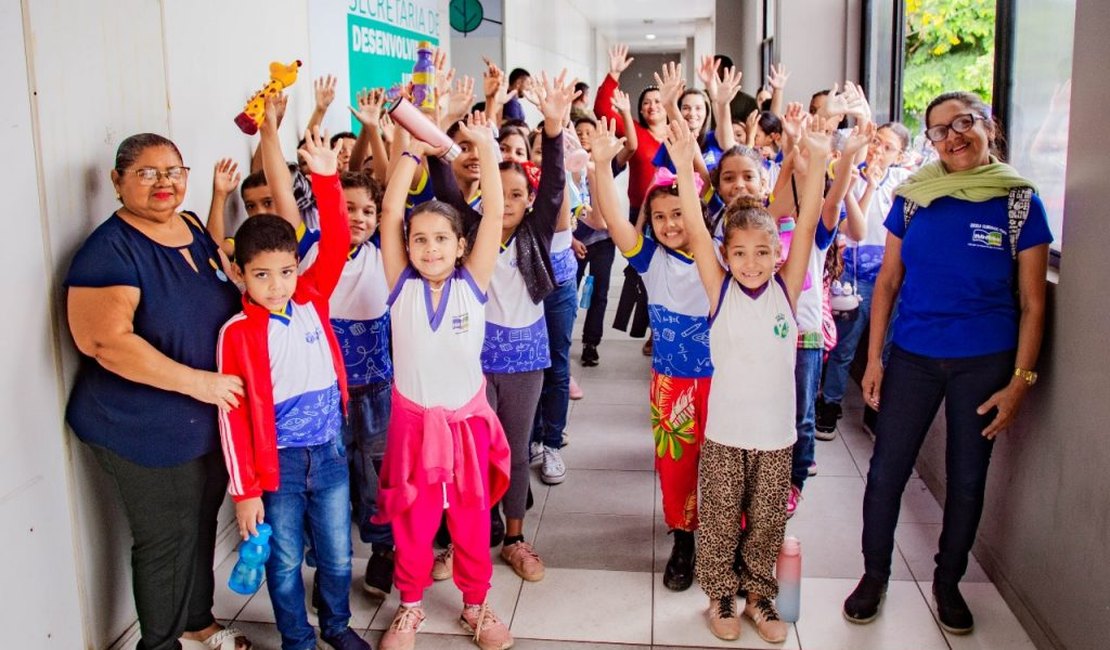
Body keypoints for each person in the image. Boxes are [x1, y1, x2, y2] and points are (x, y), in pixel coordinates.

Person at [843, 91, 1052, 634]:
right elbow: (887, 284)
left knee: (966, 479)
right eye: (939, 130)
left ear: (988, 126)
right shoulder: (914, 197)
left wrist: (1020, 383)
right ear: (930, 141)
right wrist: (874, 360)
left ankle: (947, 582)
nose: (953, 136)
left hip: (984, 364)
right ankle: (875, 576)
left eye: (964, 123)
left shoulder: (1020, 202)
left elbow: (1033, 303)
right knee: (886, 471)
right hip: (912, 357)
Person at [65, 133, 250, 650]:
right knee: (166, 539)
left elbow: (222, 276)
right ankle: (160, 644)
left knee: (196, 523)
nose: (163, 182)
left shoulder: (190, 226)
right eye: (146, 173)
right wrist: (200, 383)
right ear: (117, 182)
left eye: (172, 170)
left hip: (204, 417)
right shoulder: (109, 250)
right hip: (139, 425)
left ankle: (198, 622)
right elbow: (104, 341)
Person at [671, 116, 831, 644]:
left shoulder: (786, 289)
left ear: (778, 255)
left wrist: (818, 157)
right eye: (738, 253)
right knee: (718, 520)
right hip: (725, 435)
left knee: (766, 521)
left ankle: (760, 595)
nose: (751, 262)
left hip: (776, 436)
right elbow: (696, 229)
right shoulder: (721, 292)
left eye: (763, 252)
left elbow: (805, 224)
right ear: (724, 257)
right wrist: (683, 159)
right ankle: (720, 594)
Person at [216, 126, 368, 650]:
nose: (278, 284)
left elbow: (339, 240)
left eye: (285, 270)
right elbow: (232, 417)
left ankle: (338, 626)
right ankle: (297, 639)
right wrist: (245, 493)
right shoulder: (236, 333)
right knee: (282, 561)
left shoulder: (310, 296)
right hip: (275, 468)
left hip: (327, 453)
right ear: (239, 275)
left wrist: (326, 178)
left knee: (336, 553)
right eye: (262, 275)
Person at [373, 111, 514, 650]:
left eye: (441, 239)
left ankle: (475, 604)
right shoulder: (399, 286)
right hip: (412, 426)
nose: (430, 248)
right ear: (407, 246)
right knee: (414, 519)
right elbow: (390, 213)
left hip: (467, 426)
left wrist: (485, 148)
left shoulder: (472, 284)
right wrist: (409, 152)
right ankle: (410, 607)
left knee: (473, 522)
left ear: (461, 246)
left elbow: (496, 211)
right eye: (420, 239)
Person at [427, 71, 574, 579]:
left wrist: (553, 129)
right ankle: (462, 538)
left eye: (515, 195)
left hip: (526, 359)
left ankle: (513, 536)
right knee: (469, 453)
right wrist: (447, 122)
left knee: (511, 449)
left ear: (528, 202)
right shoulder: (470, 229)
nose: (505, 202)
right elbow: (444, 180)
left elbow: (554, 186)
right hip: (471, 357)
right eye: (497, 193)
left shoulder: (534, 229)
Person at [589, 116, 711, 593]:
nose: (669, 224)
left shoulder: (718, 256)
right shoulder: (650, 259)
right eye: (659, 217)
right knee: (676, 467)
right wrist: (601, 165)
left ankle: (728, 537)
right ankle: (683, 540)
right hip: (671, 384)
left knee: (724, 463)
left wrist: (683, 165)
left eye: (678, 213)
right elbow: (616, 219)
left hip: (724, 383)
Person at [303, 170, 397, 596]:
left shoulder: (382, 253)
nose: (357, 217)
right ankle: (330, 565)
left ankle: (383, 551)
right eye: (347, 208)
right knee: (330, 481)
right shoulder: (311, 253)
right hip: (329, 395)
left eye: (367, 210)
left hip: (378, 390)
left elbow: (393, 187)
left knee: (379, 476)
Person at [816, 122, 912, 437]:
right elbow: (851, 230)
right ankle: (829, 403)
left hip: (894, 278)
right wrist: (869, 184)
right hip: (854, 279)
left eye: (888, 147)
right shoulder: (850, 177)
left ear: (900, 155)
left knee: (887, 349)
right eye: (875, 142)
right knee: (845, 345)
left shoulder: (903, 182)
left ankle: (876, 409)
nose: (878, 151)